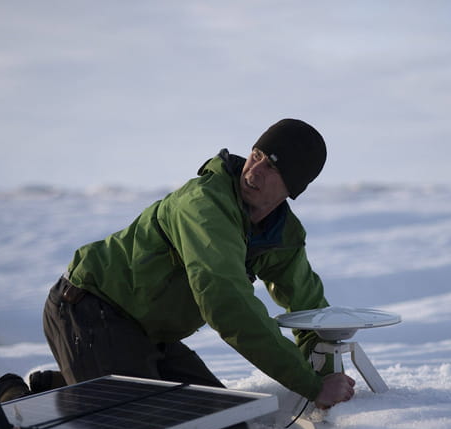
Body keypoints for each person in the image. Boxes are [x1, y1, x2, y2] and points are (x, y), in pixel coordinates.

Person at [42, 119, 355, 409]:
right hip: (90, 310)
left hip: (148, 334)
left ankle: (70, 384)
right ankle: (32, 396)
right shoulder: (205, 205)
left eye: (271, 166)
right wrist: (310, 385)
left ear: (293, 186)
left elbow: (310, 311)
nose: (253, 171)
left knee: (224, 425)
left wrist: (327, 377)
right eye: (256, 154)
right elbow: (227, 304)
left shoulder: (280, 235)